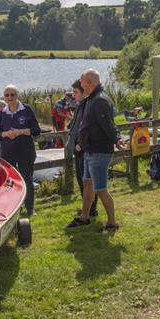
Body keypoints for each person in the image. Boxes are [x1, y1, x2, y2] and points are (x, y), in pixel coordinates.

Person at [67, 69, 123, 232]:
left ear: (88, 83)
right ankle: (84, 216)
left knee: (100, 188)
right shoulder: (93, 98)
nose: (80, 83)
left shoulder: (99, 100)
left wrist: (116, 139)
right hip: (90, 150)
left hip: (99, 151)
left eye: (82, 80)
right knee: (87, 183)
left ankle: (112, 222)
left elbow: (108, 124)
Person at [0, 85, 41, 216]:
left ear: (17, 96)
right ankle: (13, 209)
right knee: (9, 182)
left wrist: (20, 132)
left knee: (27, 180)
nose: (9, 97)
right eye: (7, 95)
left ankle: (30, 208)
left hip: (25, 152)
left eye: (12, 94)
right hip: (7, 153)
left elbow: (36, 130)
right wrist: (5, 134)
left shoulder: (26, 109)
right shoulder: (2, 112)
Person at [66, 79, 98, 217]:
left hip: (85, 150)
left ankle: (91, 209)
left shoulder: (89, 106)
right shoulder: (80, 105)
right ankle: (88, 208)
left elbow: (92, 129)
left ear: (84, 92)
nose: (74, 95)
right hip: (78, 149)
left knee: (88, 182)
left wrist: (81, 145)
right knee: (81, 180)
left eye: (76, 92)